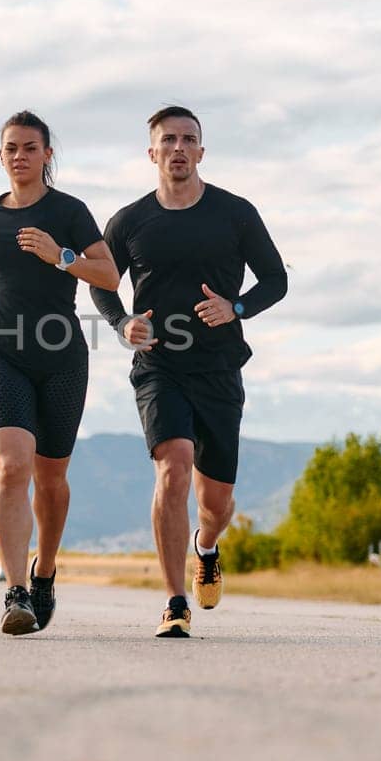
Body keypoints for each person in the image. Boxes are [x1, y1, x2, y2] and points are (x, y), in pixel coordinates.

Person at [90, 106, 287, 637]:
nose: (178, 148)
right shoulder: (129, 221)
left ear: (201, 151)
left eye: (188, 140)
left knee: (216, 502)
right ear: (151, 152)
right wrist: (121, 320)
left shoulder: (235, 213)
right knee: (173, 467)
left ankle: (207, 546)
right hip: (159, 367)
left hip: (220, 367)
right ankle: (175, 602)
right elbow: (102, 282)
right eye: (168, 140)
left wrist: (236, 308)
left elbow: (275, 279)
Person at [0, 112, 119, 635]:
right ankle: (15, 591)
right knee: (12, 468)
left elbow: (109, 275)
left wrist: (61, 255)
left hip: (61, 356)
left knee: (51, 480)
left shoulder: (69, 211)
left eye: (31, 147)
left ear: (47, 154)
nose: (20, 156)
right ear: (0, 155)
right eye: (11, 148)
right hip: (3, 352)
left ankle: (44, 571)